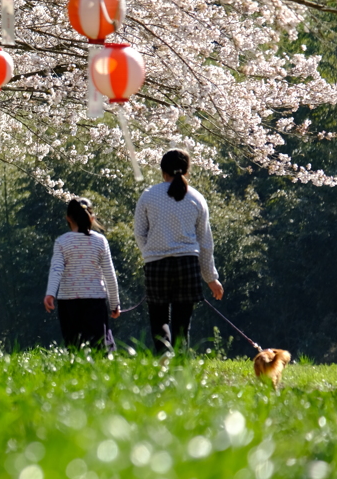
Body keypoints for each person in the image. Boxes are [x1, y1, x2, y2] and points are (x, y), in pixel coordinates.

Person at [134, 149, 224, 353]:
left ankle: (163, 357)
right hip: (187, 264)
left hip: (156, 264)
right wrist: (210, 277)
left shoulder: (149, 195)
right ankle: (181, 365)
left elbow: (139, 233)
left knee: (159, 318)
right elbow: (205, 242)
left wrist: (149, 253)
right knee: (183, 323)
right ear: (186, 170)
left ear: (162, 169)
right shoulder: (196, 198)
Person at [44, 198, 121, 350]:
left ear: (68, 218)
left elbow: (56, 269)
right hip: (95, 300)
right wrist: (114, 303)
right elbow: (109, 274)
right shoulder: (100, 241)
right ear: (92, 218)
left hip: (69, 301)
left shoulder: (62, 242)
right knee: (99, 345)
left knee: (74, 345)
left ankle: (77, 373)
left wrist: (50, 294)